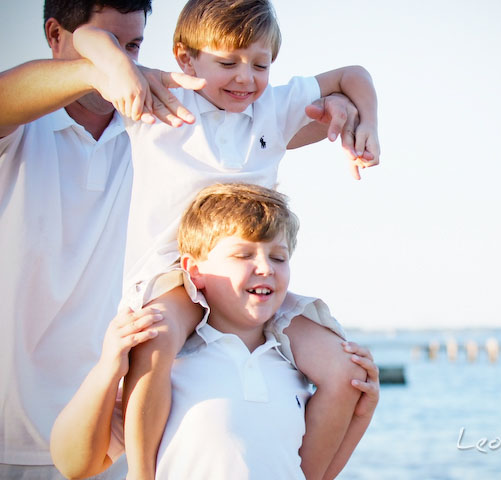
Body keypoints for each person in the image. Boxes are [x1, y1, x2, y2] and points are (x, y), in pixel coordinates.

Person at [0, 2, 363, 478]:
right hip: (25, 421)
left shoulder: (189, 114)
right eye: (117, 46)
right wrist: (107, 66)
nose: (128, 62)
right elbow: (73, 53)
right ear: (54, 34)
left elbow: (310, 100)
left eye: (134, 47)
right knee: (154, 341)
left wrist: (351, 113)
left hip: (121, 416)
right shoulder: (54, 122)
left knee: (346, 370)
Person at [50, 182, 380, 479]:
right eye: (243, 255)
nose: (265, 267)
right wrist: (107, 370)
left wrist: (362, 414)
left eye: (278, 258)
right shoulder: (170, 365)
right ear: (195, 272)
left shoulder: (292, 370)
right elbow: (73, 463)